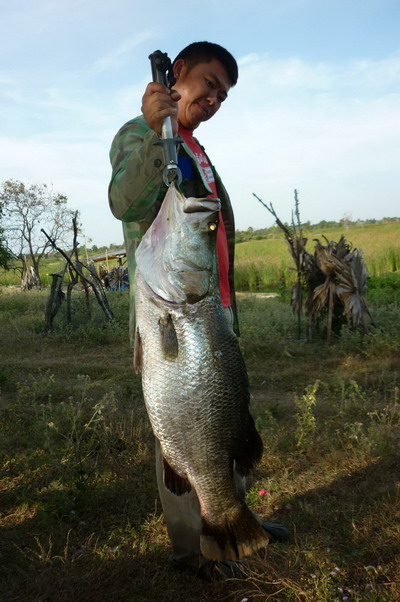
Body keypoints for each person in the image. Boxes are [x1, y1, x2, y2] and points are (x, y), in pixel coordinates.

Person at [108, 41, 288, 580]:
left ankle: (233, 519)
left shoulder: (192, 147)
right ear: (177, 73)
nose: (214, 99)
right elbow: (125, 202)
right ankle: (195, 547)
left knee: (224, 420)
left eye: (223, 97)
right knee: (184, 428)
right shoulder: (143, 137)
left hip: (211, 310)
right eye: (209, 84)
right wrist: (151, 130)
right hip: (171, 313)